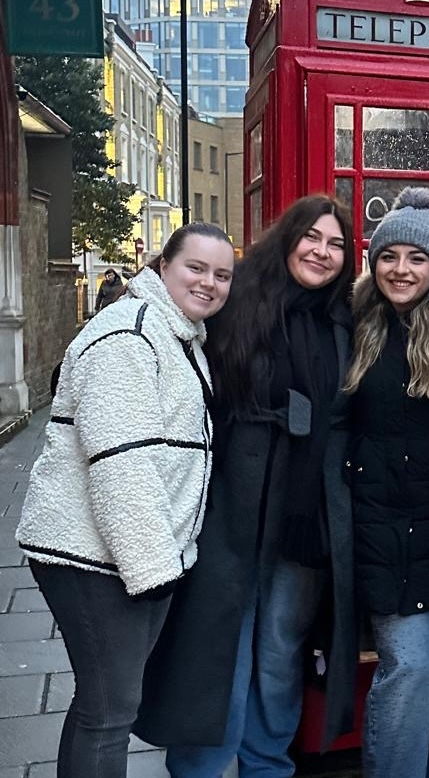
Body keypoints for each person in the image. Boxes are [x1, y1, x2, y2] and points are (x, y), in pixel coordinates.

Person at [133, 196, 357, 777]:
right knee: (221, 643)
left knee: (282, 648)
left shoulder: (342, 319)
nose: (322, 252)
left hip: (305, 518)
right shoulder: (238, 303)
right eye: (312, 237)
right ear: (288, 239)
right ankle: (203, 768)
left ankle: (267, 765)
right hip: (235, 508)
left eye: (335, 244)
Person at [16, 223, 235, 778]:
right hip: (96, 557)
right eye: (196, 268)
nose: (209, 283)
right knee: (111, 712)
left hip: (126, 554)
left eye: (222, 274)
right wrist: (156, 570)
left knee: (101, 705)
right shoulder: (128, 335)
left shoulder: (177, 333)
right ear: (163, 267)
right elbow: (122, 464)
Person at [344, 187, 429, 778]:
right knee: (412, 665)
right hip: (386, 531)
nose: (401, 269)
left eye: (416, 258)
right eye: (389, 256)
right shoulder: (352, 326)